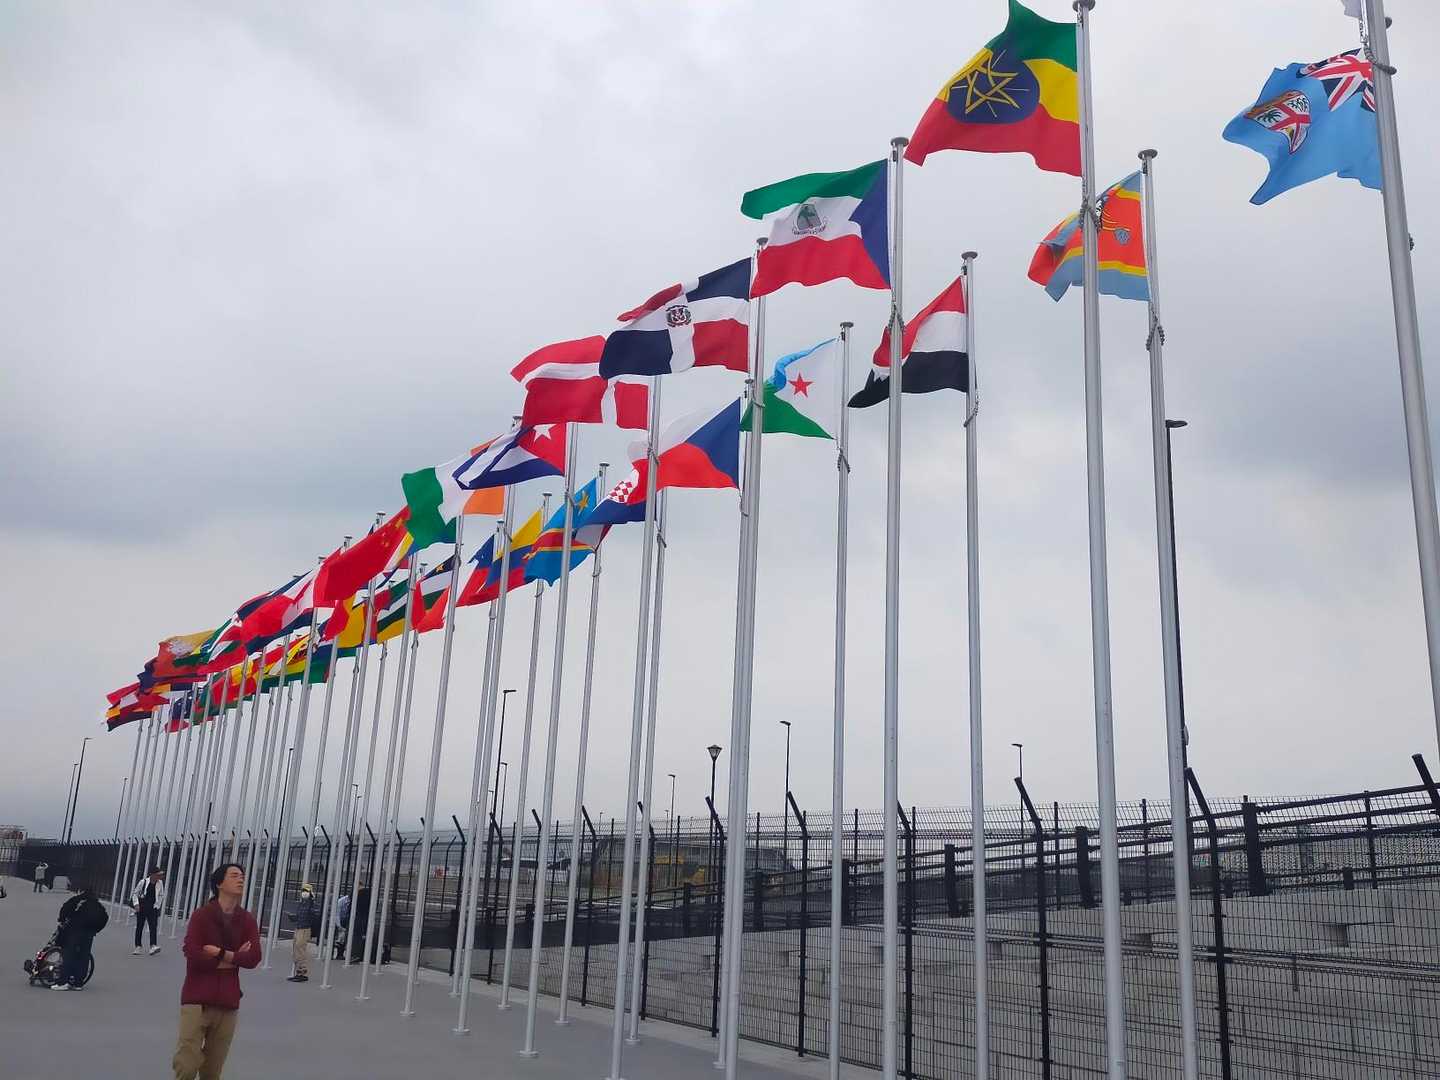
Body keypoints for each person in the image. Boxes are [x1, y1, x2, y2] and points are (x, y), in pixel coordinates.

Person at [173, 863, 260, 1080]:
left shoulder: (247, 920)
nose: (241, 879)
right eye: (234, 875)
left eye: (242, 876)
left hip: (228, 1003)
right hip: (196, 1000)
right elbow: (193, 954)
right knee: (187, 1066)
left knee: (212, 1072)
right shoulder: (202, 916)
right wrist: (235, 958)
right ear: (219, 883)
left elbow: (253, 958)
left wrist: (220, 953)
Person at [52, 885, 108, 991]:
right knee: (83, 956)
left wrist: (62, 920)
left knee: (68, 955)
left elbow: (65, 908)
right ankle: (78, 983)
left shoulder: (78, 900)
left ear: (81, 891)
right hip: (89, 934)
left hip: (75, 931)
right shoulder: (97, 904)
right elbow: (105, 918)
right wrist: (96, 930)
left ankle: (63, 982)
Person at [285, 883, 321, 983]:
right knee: (296, 949)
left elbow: (314, 916)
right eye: (303, 891)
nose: (304, 893)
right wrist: (292, 917)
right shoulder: (302, 903)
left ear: (310, 893)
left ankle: (302, 972)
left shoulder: (311, 904)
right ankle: (298, 972)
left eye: (306, 891)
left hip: (305, 929)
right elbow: (298, 916)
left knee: (300, 949)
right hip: (298, 928)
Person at [130, 865, 166, 956]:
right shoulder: (143, 882)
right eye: (157, 875)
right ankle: (138, 946)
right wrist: (136, 904)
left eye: (159, 875)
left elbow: (161, 895)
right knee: (140, 926)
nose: (159, 876)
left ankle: (153, 946)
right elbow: (135, 893)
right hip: (142, 907)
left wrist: (157, 905)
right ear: (152, 874)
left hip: (153, 908)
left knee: (153, 926)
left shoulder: (160, 883)